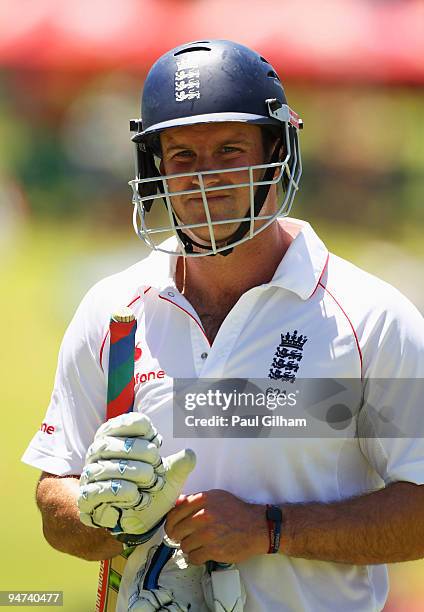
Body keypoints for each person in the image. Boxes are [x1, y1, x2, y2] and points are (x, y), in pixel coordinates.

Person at [22, 39, 424, 612]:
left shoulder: (370, 319)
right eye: (182, 155)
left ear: (278, 152)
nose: (204, 176)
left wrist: (271, 530)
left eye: (230, 149)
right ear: (153, 168)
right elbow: (53, 500)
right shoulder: (114, 312)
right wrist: (113, 518)